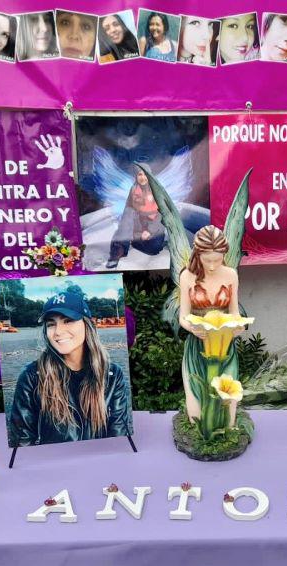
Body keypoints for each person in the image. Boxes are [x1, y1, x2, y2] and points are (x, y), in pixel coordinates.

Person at [6, 290, 132, 446]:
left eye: (68, 321)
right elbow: (22, 441)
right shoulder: (32, 377)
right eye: (51, 324)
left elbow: (119, 434)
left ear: (87, 325)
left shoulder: (112, 375)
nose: (58, 332)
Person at [178, 226, 243, 420]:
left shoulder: (231, 274)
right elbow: (183, 316)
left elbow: (234, 311)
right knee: (196, 412)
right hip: (198, 344)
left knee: (227, 405)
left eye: (218, 259)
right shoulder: (187, 276)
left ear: (224, 255)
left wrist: (238, 325)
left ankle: (225, 428)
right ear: (197, 255)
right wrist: (192, 329)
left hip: (224, 343)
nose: (213, 266)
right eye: (207, 260)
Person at [106, 167, 166, 269]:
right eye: (140, 174)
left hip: (154, 228)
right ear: (136, 176)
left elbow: (161, 213)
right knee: (128, 211)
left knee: (154, 249)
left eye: (145, 174)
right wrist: (125, 230)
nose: (143, 177)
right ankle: (118, 250)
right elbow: (127, 208)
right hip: (138, 226)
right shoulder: (134, 189)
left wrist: (150, 231)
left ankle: (136, 240)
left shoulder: (157, 190)